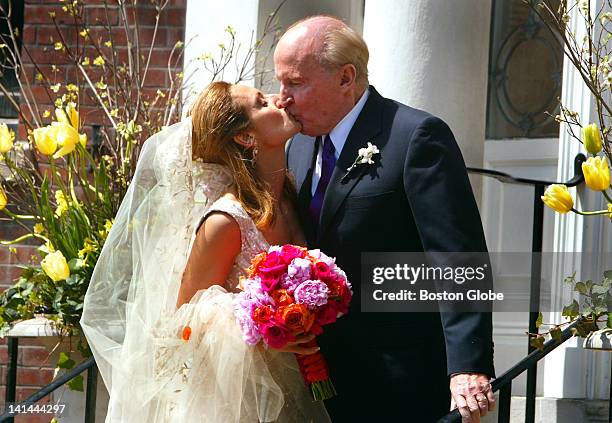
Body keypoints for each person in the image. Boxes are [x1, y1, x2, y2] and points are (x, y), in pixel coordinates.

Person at [275, 16, 496, 423]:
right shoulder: (297, 150)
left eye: (295, 83)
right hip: (318, 378)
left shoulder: (415, 137)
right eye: (280, 83)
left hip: (399, 379)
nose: (281, 98)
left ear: (346, 77)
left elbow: (458, 258)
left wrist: (468, 364)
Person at [80, 81, 331, 422]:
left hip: (297, 386)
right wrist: (264, 325)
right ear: (246, 137)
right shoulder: (225, 221)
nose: (278, 99)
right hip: (237, 402)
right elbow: (185, 316)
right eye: (261, 103)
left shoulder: (290, 195)